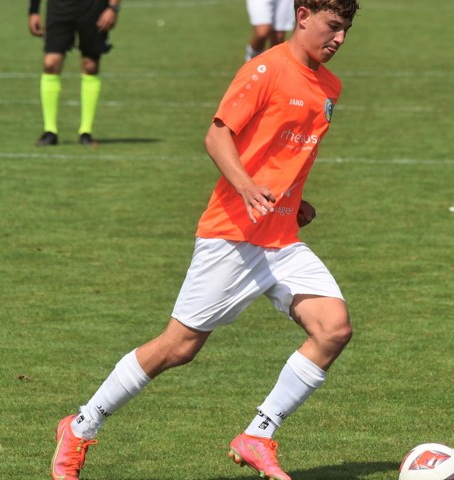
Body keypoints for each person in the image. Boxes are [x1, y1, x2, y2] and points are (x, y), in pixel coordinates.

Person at [49, 1, 361, 479]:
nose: (339, 39)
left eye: (346, 30)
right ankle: (80, 427)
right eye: (332, 26)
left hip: (280, 239)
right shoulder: (263, 70)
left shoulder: (330, 88)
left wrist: (294, 202)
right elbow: (218, 138)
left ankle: (258, 434)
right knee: (177, 347)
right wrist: (247, 187)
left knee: (333, 329)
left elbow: (279, 155)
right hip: (232, 236)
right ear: (302, 15)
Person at [28, 0, 120, 146]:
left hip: (93, 6)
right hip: (59, 7)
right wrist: (34, 10)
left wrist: (113, 7)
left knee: (90, 66)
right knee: (50, 63)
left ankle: (85, 132)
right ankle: (50, 131)